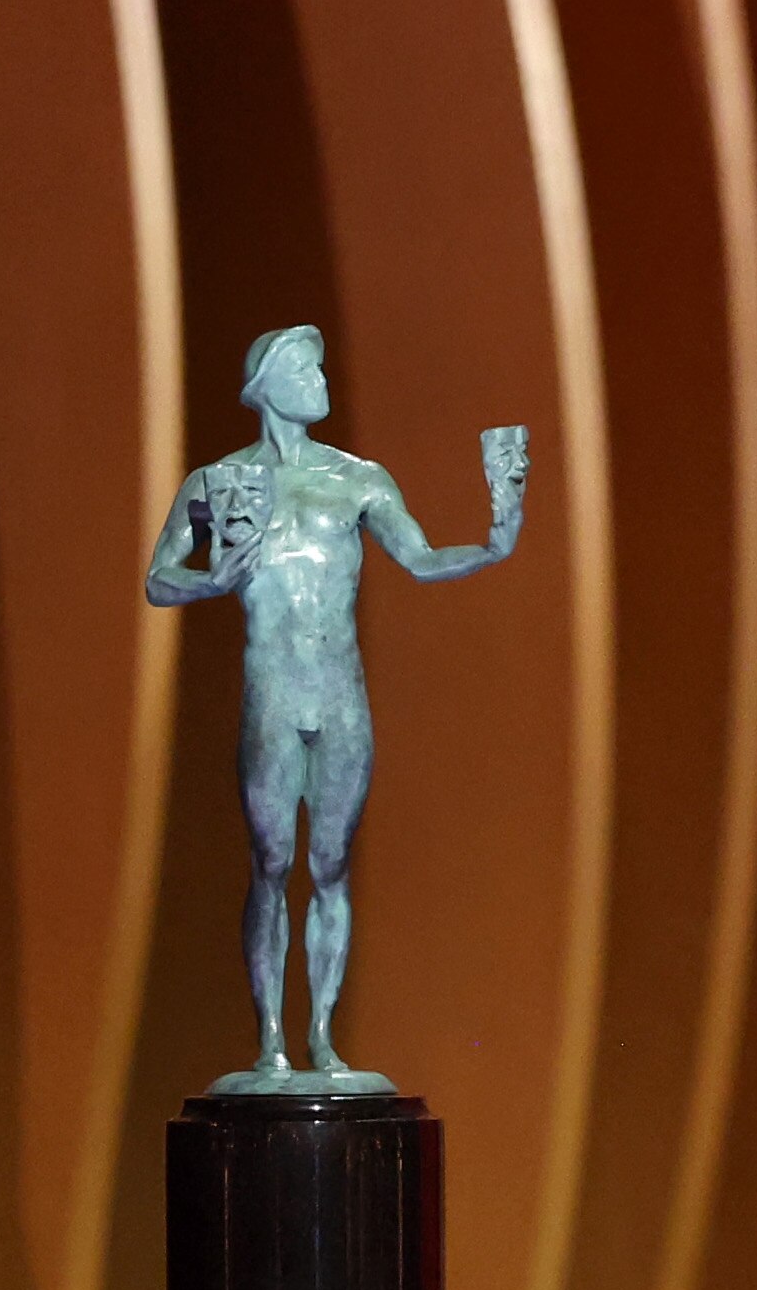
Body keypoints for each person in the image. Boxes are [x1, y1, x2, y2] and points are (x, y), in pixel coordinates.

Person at [145, 324, 528, 1087]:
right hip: (274, 696)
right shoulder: (220, 484)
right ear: (271, 387)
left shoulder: (359, 481)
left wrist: (494, 542)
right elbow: (160, 578)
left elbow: (419, 558)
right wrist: (212, 583)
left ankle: (320, 1038)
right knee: (271, 860)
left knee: (331, 864)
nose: (323, 381)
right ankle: (271, 1045)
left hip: (339, 695)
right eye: (308, 370)